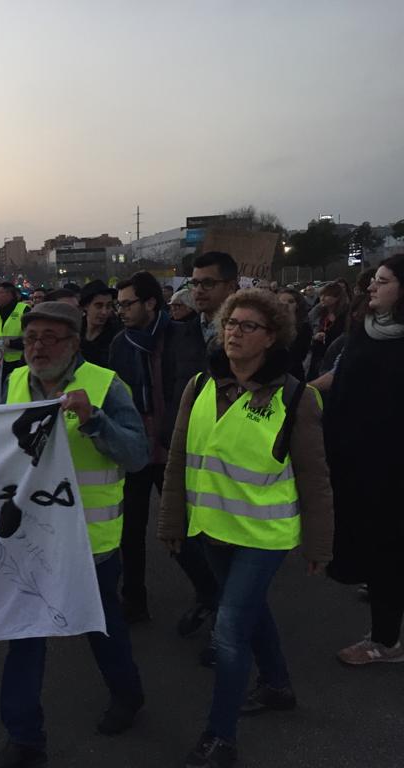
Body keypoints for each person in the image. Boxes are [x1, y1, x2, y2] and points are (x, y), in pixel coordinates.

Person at [158, 288, 333, 768]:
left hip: (263, 536)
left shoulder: (297, 397)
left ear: (271, 337)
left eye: (247, 326)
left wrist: (320, 543)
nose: (233, 332)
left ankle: (221, 738)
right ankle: (277, 686)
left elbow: (315, 478)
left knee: (230, 632)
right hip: (212, 530)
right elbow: (178, 461)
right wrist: (173, 521)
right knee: (250, 612)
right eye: (229, 323)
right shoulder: (199, 385)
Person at [0, 301, 149, 768]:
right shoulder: (14, 382)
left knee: (101, 628)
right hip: (27, 538)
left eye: (50, 338)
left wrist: (95, 421)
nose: (37, 346)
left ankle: (128, 695)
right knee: (25, 635)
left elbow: (137, 454)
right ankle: (24, 737)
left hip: (89, 545)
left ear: (74, 343)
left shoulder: (104, 384)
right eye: (31, 336)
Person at [109, 271, 214, 626]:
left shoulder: (182, 336)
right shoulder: (120, 344)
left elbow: (192, 388)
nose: (120, 311)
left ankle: (210, 593)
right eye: (117, 305)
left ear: (150, 303)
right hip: (137, 448)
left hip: (173, 447)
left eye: (127, 304)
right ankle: (134, 600)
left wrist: (175, 436)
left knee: (179, 529)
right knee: (130, 530)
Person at [325, 254, 404, 664]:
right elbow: (341, 378)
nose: (372, 286)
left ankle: (385, 641)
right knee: (376, 546)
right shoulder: (364, 330)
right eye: (374, 279)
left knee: (387, 546)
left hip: (391, 464)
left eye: (384, 280)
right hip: (355, 457)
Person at [163, 251, 238, 643]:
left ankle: (227, 630)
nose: (199, 290)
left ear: (232, 286)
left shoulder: (247, 332)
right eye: (194, 283)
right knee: (187, 537)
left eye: (208, 283)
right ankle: (213, 601)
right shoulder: (191, 329)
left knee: (228, 551)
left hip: (234, 458)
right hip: (194, 448)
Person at [0, 281, 31, 384]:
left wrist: (10, 343)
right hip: (0, 366)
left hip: (22, 365)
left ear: (9, 295)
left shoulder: (24, 310)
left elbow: (33, 340)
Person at [306, 283, 347, 379]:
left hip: (333, 357)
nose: (322, 298)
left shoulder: (344, 316)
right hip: (317, 356)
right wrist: (315, 337)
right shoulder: (319, 312)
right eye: (321, 295)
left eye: (327, 295)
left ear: (337, 298)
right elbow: (308, 324)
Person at [79, 279, 119, 367]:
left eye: (108, 306)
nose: (104, 312)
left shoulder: (117, 335)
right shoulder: (75, 331)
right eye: (98, 306)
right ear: (86, 306)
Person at [276, 289, 311, 381]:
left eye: (290, 301)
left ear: (297, 305)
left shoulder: (304, 326)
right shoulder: (270, 323)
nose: (285, 304)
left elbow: (299, 354)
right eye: (281, 301)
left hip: (292, 375)